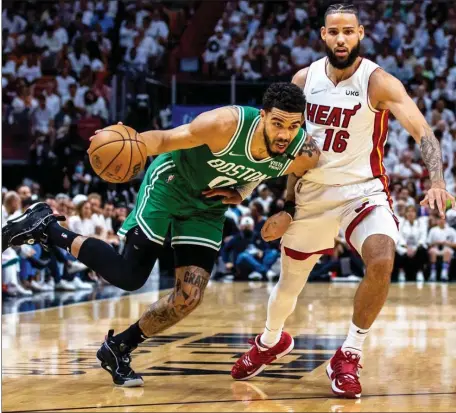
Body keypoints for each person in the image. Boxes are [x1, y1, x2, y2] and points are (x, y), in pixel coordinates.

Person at [2, 82, 320, 387]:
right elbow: (165, 140)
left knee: (188, 298)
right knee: (130, 276)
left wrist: (248, 193)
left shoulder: (301, 150)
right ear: (262, 115)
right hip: (171, 184)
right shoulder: (224, 125)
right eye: (278, 123)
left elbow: (290, 171)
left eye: (293, 127)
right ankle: (48, 227)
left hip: (207, 206)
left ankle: (119, 347)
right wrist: (131, 141)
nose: (284, 134)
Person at [231, 4, 455, 399]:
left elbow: (423, 132)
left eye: (348, 32)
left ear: (361, 34)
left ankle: (349, 352)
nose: (341, 39)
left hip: (362, 191)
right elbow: (284, 144)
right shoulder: (304, 79)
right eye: (334, 32)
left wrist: (436, 180)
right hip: (312, 194)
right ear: (322, 35)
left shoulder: (378, 82)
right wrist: (283, 206)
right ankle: (270, 341)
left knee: (383, 258)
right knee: (289, 285)